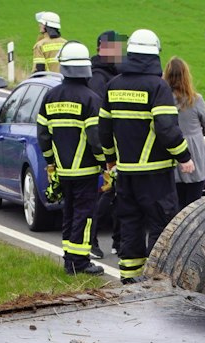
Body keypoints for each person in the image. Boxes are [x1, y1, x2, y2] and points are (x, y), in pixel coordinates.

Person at [105, 29, 195, 282]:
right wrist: (184, 157)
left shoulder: (113, 85)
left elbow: (104, 128)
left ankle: (129, 280)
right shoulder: (158, 87)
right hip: (155, 174)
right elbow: (167, 128)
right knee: (161, 225)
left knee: (130, 225)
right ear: (154, 54)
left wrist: (110, 159)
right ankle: (154, 282)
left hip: (125, 173)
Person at [38, 41, 110, 275]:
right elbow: (95, 139)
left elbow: (43, 135)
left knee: (68, 213)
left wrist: (51, 162)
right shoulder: (91, 99)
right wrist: (104, 163)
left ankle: (69, 259)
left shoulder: (50, 97)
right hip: (86, 170)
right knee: (84, 215)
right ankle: (79, 262)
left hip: (62, 170)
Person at [87, 30, 125, 261]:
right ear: (103, 47)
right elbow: (100, 119)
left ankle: (118, 242)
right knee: (107, 193)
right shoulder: (97, 78)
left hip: (120, 145)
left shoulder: (115, 73)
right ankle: (90, 241)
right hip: (105, 148)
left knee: (121, 193)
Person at [167, 56, 205, 208]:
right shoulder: (196, 100)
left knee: (176, 203)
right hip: (195, 153)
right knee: (194, 205)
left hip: (173, 151)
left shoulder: (163, 99)